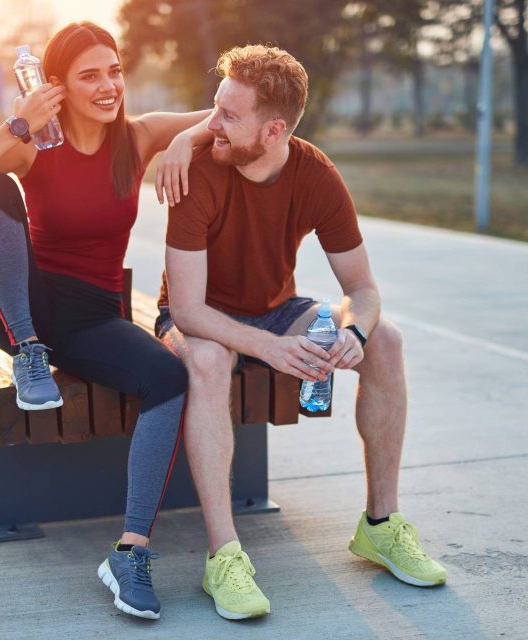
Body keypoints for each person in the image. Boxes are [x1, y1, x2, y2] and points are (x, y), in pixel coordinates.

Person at [157, 44, 448, 621]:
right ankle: (224, 556)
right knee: (212, 361)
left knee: (386, 339)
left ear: (274, 131)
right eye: (214, 108)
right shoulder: (200, 170)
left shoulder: (315, 174)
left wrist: (355, 333)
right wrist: (267, 347)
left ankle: (381, 525)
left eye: (228, 116)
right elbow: (188, 311)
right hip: (199, 318)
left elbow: (362, 290)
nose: (209, 124)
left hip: (274, 308)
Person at [0, 22, 212, 621]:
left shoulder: (137, 139)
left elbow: (222, 115)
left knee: (168, 378)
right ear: (53, 86)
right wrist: (19, 123)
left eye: (114, 71)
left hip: (89, 317)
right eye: (90, 75)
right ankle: (28, 352)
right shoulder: (37, 143)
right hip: (20, 306)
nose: (109, 85)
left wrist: (185, 142)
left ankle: (129, 551)